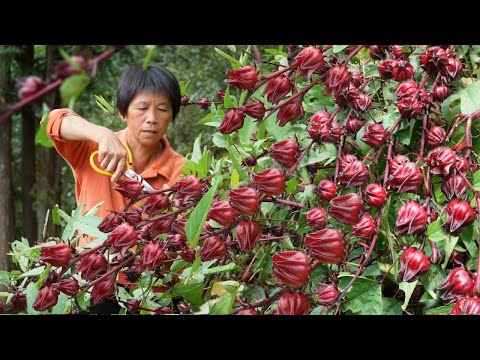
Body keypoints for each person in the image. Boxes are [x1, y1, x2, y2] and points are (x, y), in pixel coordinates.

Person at [46, 63, 186, 314]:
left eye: (162, 109)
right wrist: (101, 134)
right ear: (123, 112)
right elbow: (54, 121)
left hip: (157, 296)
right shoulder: (92, 150)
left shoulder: (185, 172)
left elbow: (185, 242)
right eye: (142, 108)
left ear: (172, 115)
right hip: (98, 289)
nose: (152, 118)